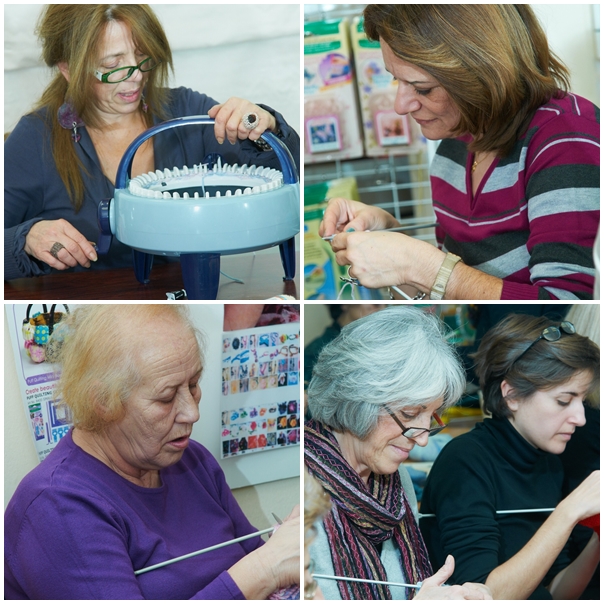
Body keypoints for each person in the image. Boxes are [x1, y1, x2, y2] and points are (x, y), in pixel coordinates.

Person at [4, 305, 300, 599]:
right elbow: (259, 569)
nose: (192, 413)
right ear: (103, 401)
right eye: (166, 398)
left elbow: (253, 554)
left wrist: (288, 553)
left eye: (193, 385)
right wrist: (265, 569)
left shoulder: (192, 460)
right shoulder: (57, 507)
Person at [320, 5, 599, 301]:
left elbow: (571, 308)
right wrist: (389, 245)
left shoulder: (567, 139)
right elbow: (455, 289)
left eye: (422, 88)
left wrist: (421, 266)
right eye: (396, 79)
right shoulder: (456, 142)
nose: (400, 106)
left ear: (483, 72)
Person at [5, 4, 300, 280]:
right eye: (113, 64)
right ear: (68, 69)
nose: (136, 76)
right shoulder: (35, 140)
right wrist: (26, 238)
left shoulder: (187, 111)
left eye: (142, 56)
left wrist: (265, 129)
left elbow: (287, 178)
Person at [305, 306, 492, 600]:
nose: (422, 439)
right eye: (409, 413)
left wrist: (451, 595)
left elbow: (406, 590)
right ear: (357, 397)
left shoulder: (394, 478)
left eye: (432, 416)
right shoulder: (303, 492)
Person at [420, 314, 600, 599]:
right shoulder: (465, 461)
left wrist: (598, 540)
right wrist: (567, 513)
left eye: (582, 400)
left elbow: (554, 592)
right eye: (563, 401)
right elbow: (482, 595)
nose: (580, 418)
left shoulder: (549, 464)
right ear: (512, 395)